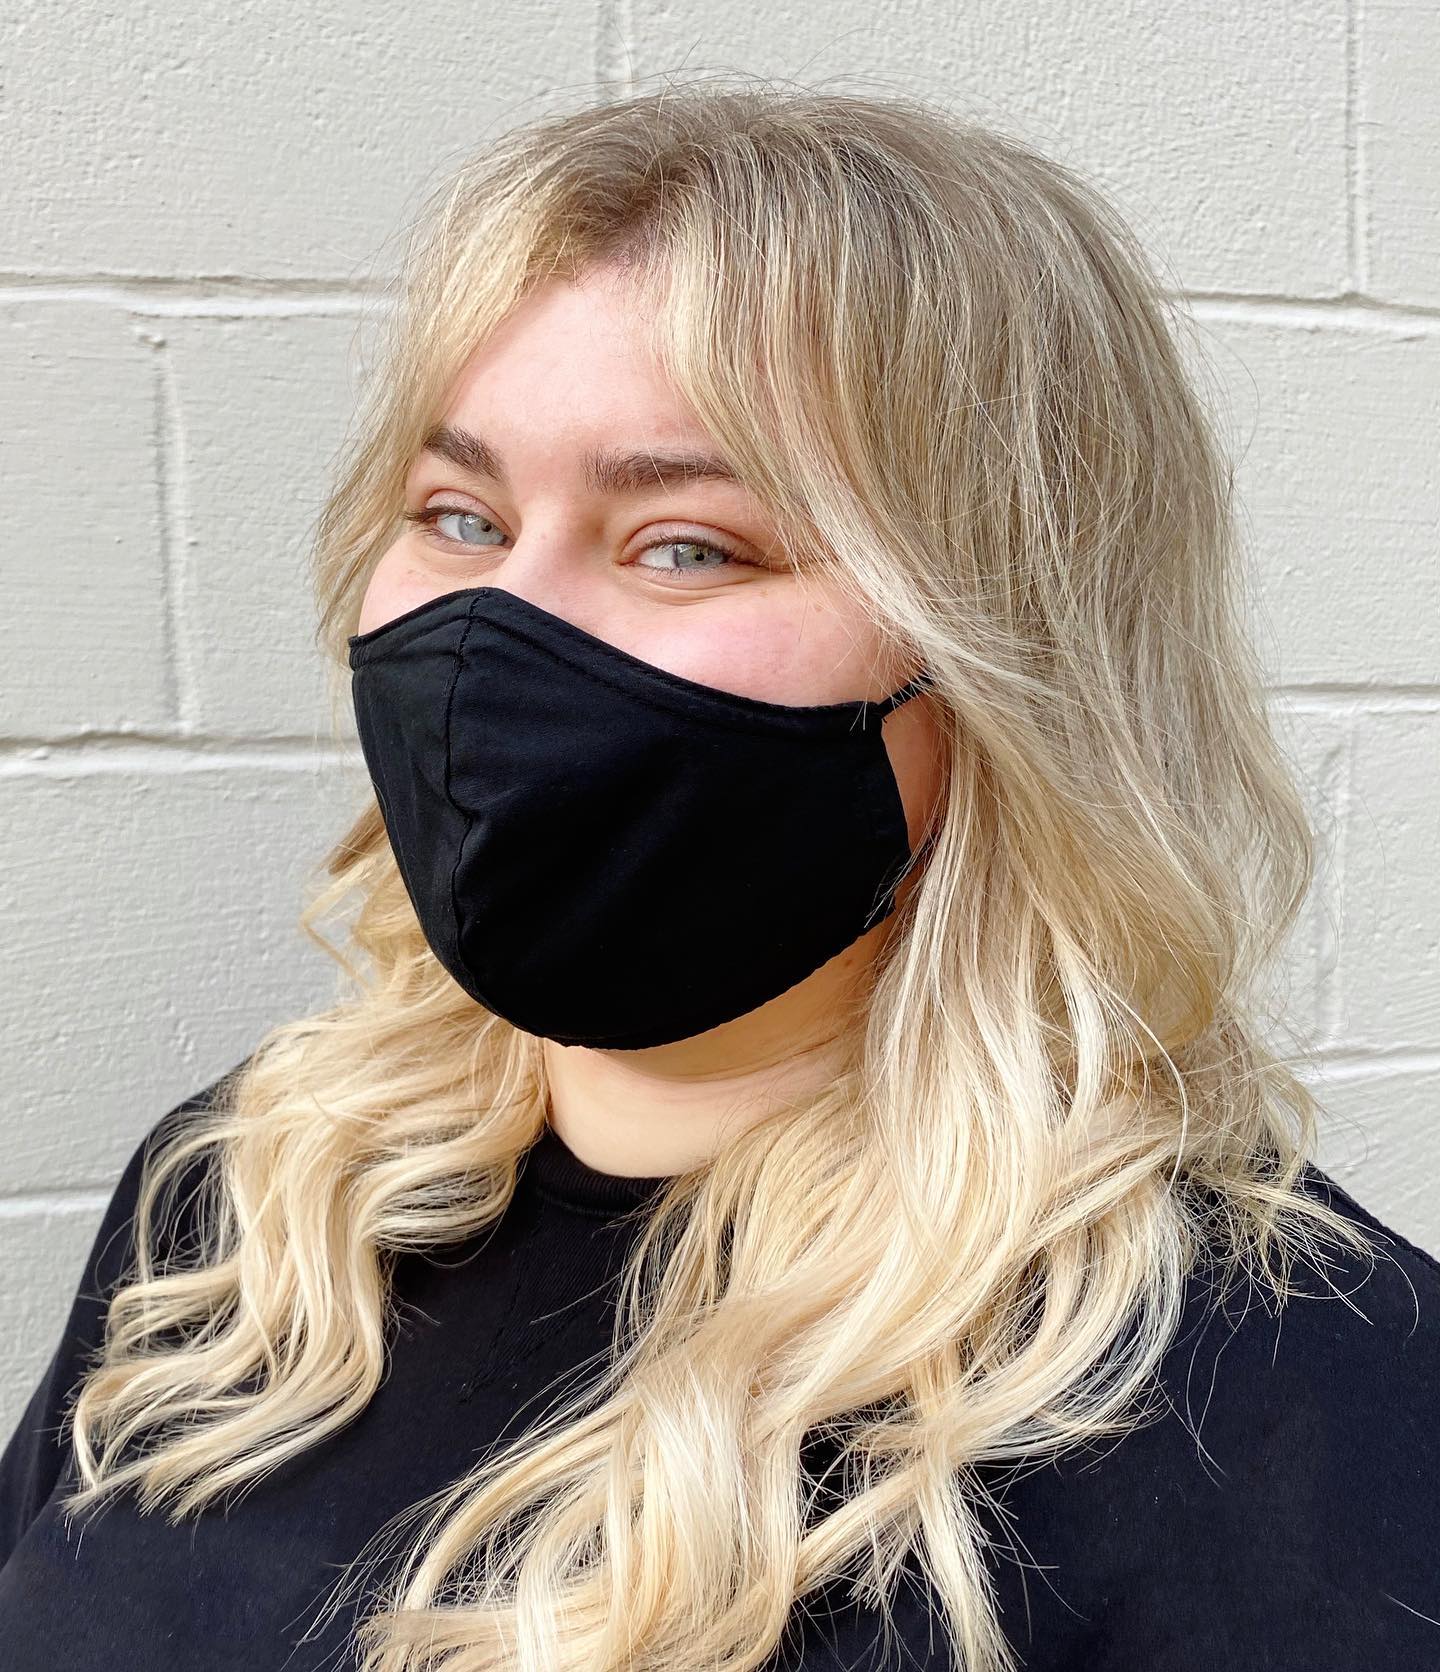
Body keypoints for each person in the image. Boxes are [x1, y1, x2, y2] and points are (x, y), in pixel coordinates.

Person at [1, 75, 1437, 1672]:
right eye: (459, 515)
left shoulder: (1293, 1415)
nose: (501, 630)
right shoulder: (259, 1202)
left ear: (1006, 662)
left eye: (688, 545)